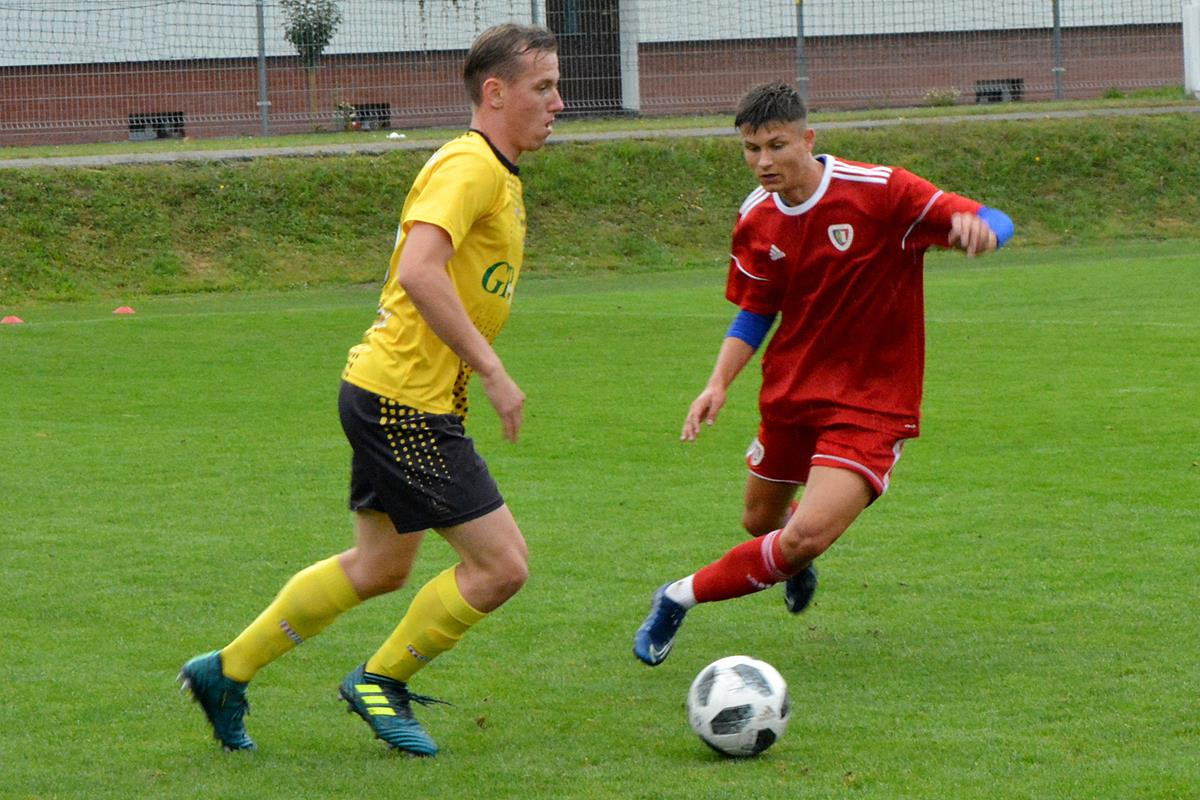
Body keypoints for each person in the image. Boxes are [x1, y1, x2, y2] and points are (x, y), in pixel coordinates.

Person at [180, 23, 564, 755]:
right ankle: (380, 681)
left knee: (381, 567)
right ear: (495, 93)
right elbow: (420, 271)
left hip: (390, 391)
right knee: (501, 566)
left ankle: (224, 672)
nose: (558, 102)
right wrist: (492, 369)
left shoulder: (492, 171)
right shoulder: (471, 166)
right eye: (542, 87)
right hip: (403, 402)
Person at [633, 82, 1014, 666]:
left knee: (802, 536)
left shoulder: (880, 191)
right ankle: (792, 561)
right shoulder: (757, 217)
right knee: (760, 522)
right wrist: (717, 383)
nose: (763, 161)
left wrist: (984, 231)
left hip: (872, 402)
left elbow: (992, 218)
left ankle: (676, 597)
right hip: (792, 394)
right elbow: (757, 309)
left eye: (777, 146)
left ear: (808, 139)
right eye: (751, 149)